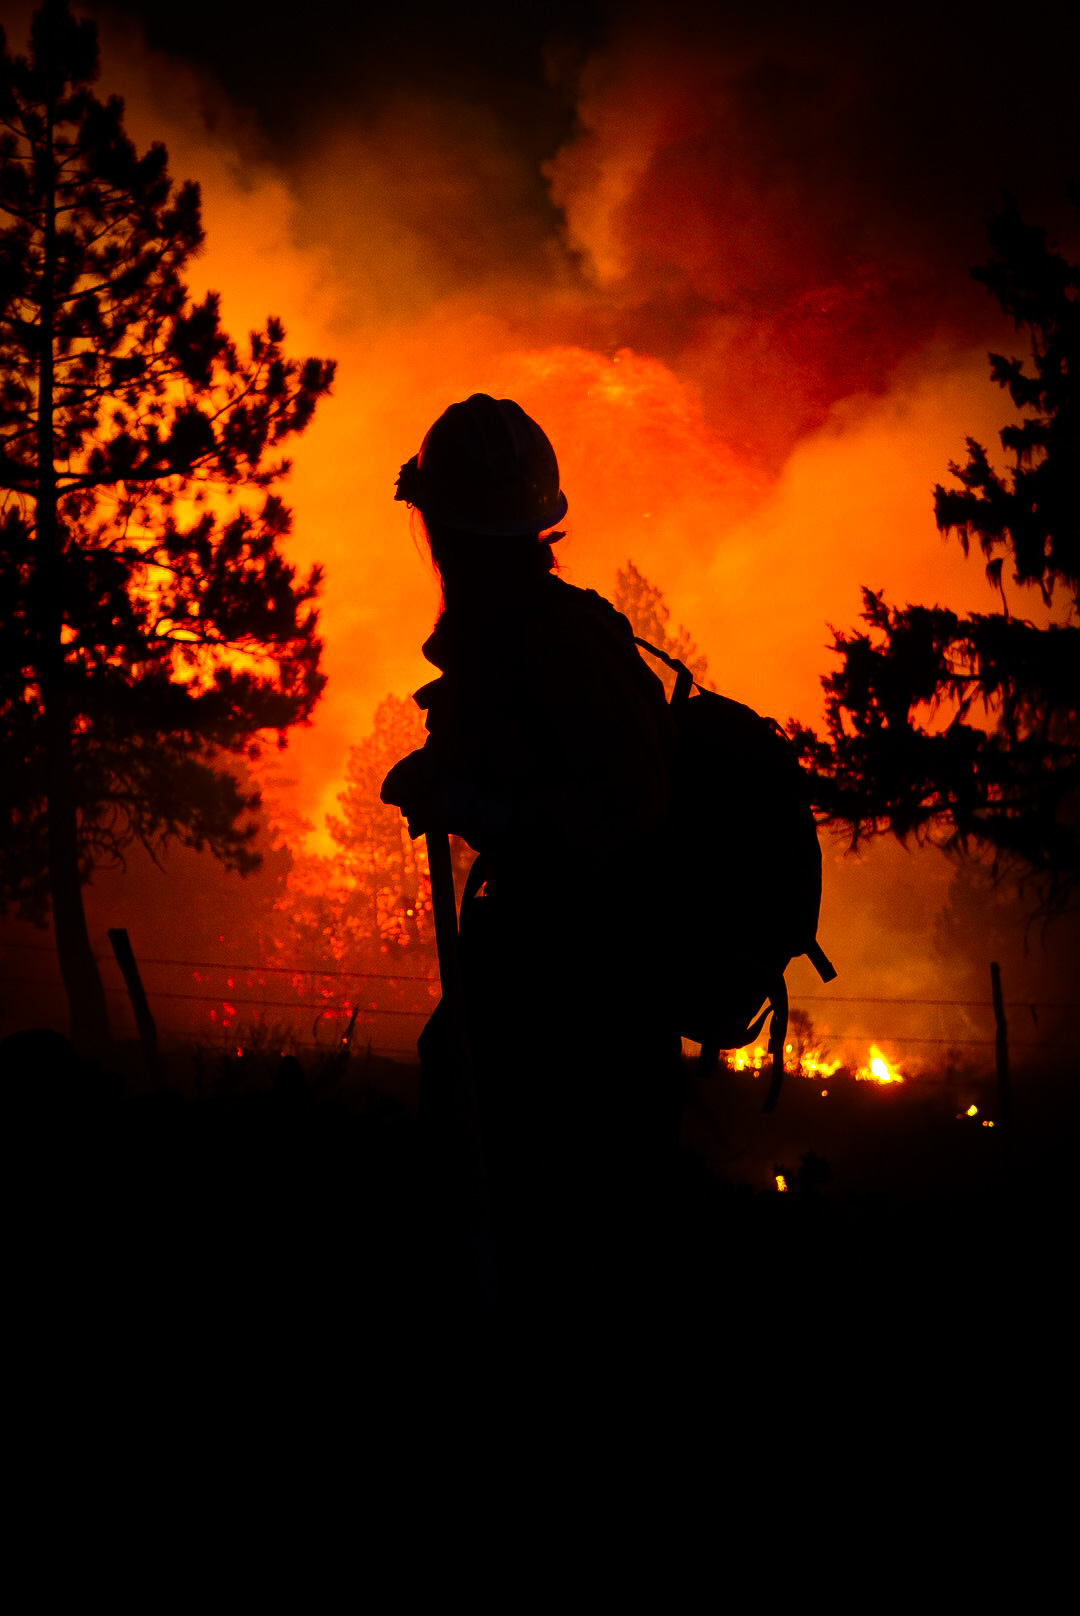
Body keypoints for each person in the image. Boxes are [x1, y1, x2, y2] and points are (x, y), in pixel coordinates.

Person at [381, 393, 681, 1300]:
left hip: (590, 986)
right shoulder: (505, 637)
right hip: (544, 966)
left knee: (559, 1237)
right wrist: (456, 778)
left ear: (449, 530)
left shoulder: (557, 641)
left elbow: (632, 803)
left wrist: (491, 811)